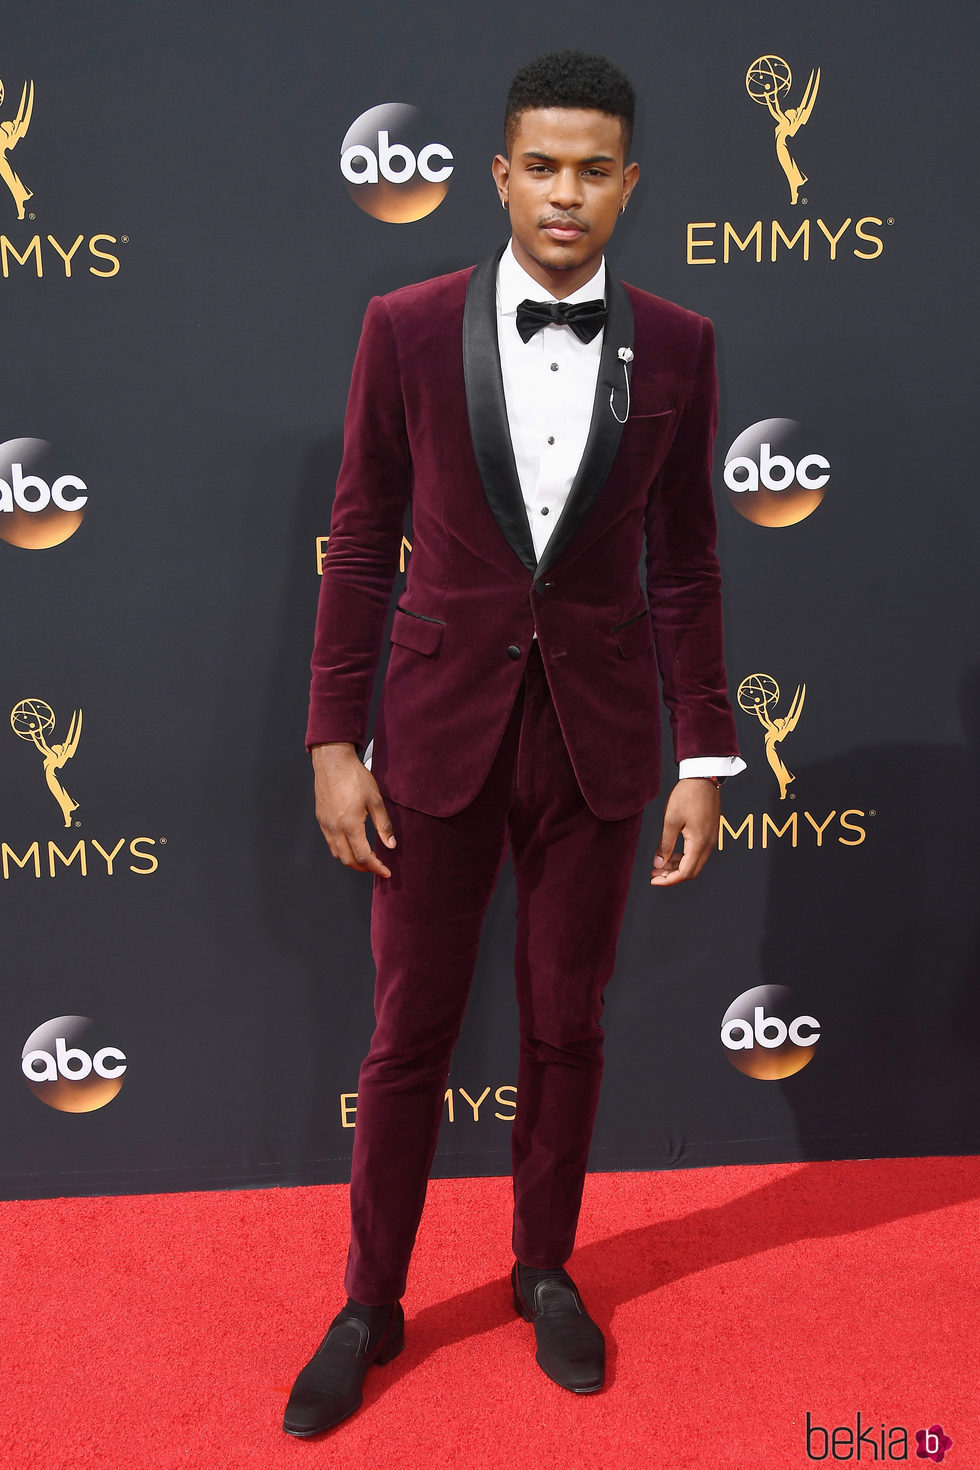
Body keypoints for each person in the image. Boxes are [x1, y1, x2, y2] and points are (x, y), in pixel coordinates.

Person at [285, 50, 744, 1438]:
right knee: (408, 1028)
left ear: (630, 185)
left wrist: (707, 754)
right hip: (430, 736)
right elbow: (361, 543)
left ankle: (544, 1267)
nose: (565, 192)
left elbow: (689, 564)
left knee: (569, 1024)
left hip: (598, 745)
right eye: (541, 165)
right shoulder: (406, 324)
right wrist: (330, 737)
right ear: (498, 173)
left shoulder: (680, 344)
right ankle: (371, 1299)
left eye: (594, 169)